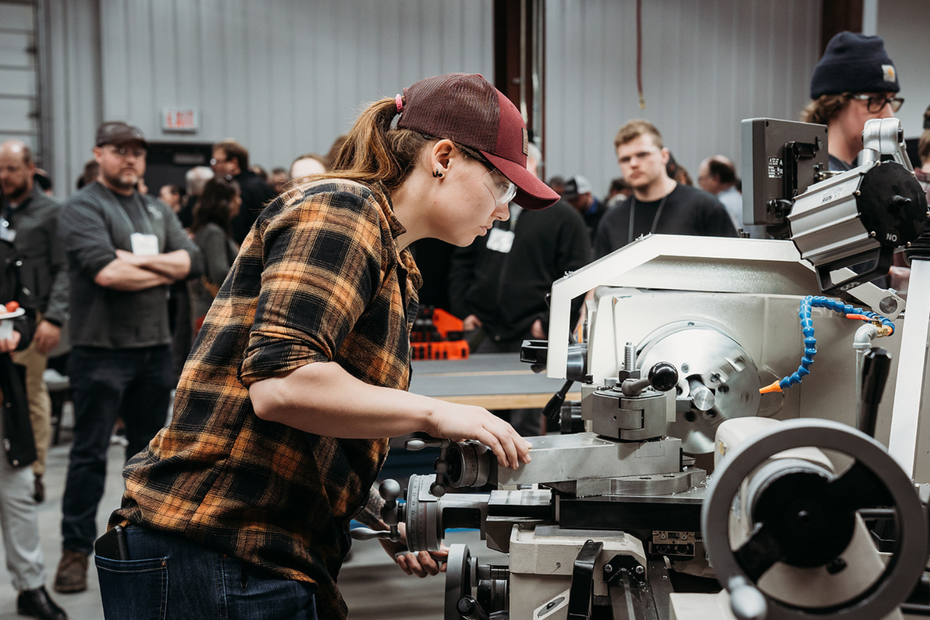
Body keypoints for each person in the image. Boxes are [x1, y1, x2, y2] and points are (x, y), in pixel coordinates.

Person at [97, 73, 555, 620]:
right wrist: (437, 414)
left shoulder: (395, 260)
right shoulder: (343, 207)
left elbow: (316, 417)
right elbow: (284, 384)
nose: (504, 210)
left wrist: (375, 512)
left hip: (264, 550)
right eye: (502, 187)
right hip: (214, 545)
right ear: (444, 156)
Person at [54, 121, 204, 594]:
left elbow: (191, 262)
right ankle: (75, 551)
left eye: (137, 152)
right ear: (99, 153)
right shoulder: (82, 208)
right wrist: (161, 270)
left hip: (154, 350)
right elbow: (107, 274)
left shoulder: (157, 209)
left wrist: (136, 262)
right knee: (88, 456)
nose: (130, 159)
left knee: (150, 459)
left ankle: (139, 546)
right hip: (99, 352)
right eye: (119, 150)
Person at [448, 142, 591, 435]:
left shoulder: (563, 217)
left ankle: (520, 481)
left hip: (530, 334)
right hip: (484, 330)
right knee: (476, 412)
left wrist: (549, 324)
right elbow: (462, 261)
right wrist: (463, 310)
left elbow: (577, 277)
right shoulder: (491, 208)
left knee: (525, 418)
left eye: (524, 164)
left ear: (537, 166)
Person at [0, 210, 68, 620]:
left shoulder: (7, 252)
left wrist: (16, 334)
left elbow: (23, 310)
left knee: (19, 490)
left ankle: (31, 586)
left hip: (4, 398)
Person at [0, 141, 69, 504]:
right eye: (0, 169)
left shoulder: (51, 213)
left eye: (11, 168)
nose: (4, 176)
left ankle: (35, 469)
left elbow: (64, 269)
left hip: (33, 316)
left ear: (30, 168)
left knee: (28, 391)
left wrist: (54, 318)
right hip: (2, 311)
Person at [593, 120, 737, 260]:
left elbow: (734, 269)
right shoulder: (611, 221)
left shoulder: (704, 208)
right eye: (625, 159)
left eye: (642, 154)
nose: (633, 164)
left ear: (664, 156)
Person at [801, 31, 902, 171]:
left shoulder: (850, 175)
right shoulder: (817, 181)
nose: (889, 116)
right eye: (877, 100)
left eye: (891, 100)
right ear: (835, 102)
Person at [188, 177, 240, 330]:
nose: (240, 201)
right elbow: (219, 273)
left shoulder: (208, 229)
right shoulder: (214, 232)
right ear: (225, 201)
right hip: (212, 312)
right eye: (237, 196)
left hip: (209, 310)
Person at [211, 139, 275, 244]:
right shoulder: (262, 184)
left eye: (217, 161)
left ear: (233, 163)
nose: (213, 166)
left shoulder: (236, 189)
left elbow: (237, 229)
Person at [697, 155, 764, 238]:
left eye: (701, 179)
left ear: (716, 179)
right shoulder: (749, 202)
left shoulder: (718, 206)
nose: (700, 184)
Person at [562, 175, 606, 241]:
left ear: (587, 194)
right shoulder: (568, 216)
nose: (571, 204)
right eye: (568, 201)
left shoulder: (604, 214)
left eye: (575, 199)